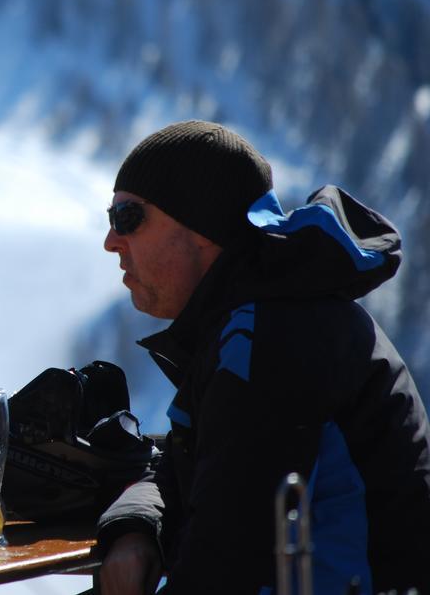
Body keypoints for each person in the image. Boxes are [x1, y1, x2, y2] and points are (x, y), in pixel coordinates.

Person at [95, 120, 430, 594]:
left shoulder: (269, 340)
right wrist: (135, 527)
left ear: (202, 229)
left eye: (128, 218)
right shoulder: (252, 320)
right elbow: (183, 466)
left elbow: (224, 567)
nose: (112, 241)